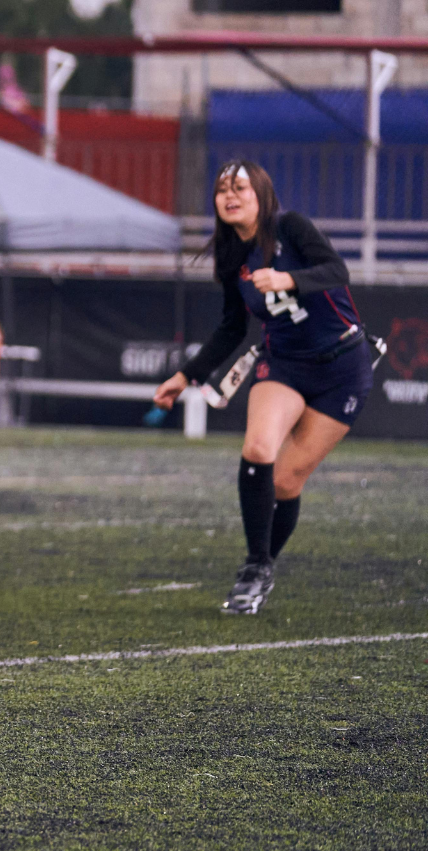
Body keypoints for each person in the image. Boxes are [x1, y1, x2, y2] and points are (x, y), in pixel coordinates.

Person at [154, 161, 370, 616]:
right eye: (221, 190)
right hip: (285, 363)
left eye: (240, 188)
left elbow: (337, 271)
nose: (230, 196)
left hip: (342, 368)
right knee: (257, 449)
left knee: (288, 479)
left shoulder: (290, 227)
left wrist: (290, 278)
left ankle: (264, 562)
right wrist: (186, 375)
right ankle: (256, 567)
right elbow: (233, 328)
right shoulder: (232, 256)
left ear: (262, 194)